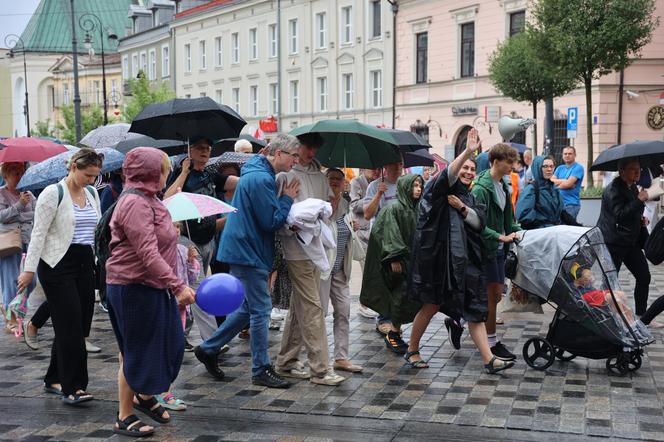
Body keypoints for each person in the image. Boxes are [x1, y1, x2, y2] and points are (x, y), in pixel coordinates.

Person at [194, 134, 300, 389]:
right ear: (277, 153)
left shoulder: (256, 172)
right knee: (261, 308)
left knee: (246, 308)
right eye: (292, 156)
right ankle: (261, 368)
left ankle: (208, 348)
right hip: (247, 250)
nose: (294, 162)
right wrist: (287, 198)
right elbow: (270, 222)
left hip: (243, 247)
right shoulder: (261, 178)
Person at [104, 147, 196, 437]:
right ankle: (124, 414)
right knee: (134, 352)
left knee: (170, 344)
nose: (166, 173)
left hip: (153, 286)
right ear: (151, 171)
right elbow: (147, 253)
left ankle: (144, 396)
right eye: (164, 168)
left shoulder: (150, 199)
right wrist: (178, 285)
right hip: (133, 287)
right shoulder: (135, 204)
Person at [406, 129, 514, 373]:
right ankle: (412, 349)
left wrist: (464, 209)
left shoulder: (469, 196)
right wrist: (467, 151)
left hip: (466, 264)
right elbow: (448, 174)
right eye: (464, 168)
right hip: (441, 263)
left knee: (475, 309)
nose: (468, 172)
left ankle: (489, 359)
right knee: (431, 306)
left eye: (472, 169)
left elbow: (479, 223)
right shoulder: (439, 189)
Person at [17, 148, 103, 405]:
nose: (91, 180)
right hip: (56, 264)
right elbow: (38, 235)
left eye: (95, 176)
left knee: (80, 324)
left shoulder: (92, 192)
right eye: (88, 175)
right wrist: (28, 270)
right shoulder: (52, 193)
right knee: (71, 328)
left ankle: (53, 378)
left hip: (85, 263)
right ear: (74, 166)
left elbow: (96, 230)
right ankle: (73, 387)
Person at [275, 133, 345, 386]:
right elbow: (279, 213)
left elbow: (331, 214)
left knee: (301, 306)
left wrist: (335, 196)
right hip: (296, 248)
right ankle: (320, 368)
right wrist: (289, 227)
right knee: (313, 307)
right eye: (308, 147)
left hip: (316, 248)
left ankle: (287, 361)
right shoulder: (285, 175)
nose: (311, 153)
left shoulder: (320, 175)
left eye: (315, 149)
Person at [164, 137, 238, 344]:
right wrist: (185, 171)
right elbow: (167, 199)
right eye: (200, 149)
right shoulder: (180, 172)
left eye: (208, 149)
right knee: (195, 287)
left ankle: (182, 335)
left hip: (207, 239)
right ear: (190, 150)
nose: (205, 152)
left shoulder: (210, 173)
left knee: (190, 288)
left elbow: (235, 183)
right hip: (186, 240)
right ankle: (211, 340)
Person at [360, 174, 424, 354]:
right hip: (396, 263)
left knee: (404, 297)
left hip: (409, 261)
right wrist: (394, 256)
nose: (418, 189)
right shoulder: (394, 209)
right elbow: (389, 232)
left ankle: (396, 333)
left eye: (420, 185)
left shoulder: (416, 209)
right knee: (398, 297)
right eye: (415, 185)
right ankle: (393, 334)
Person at [471, 143, 521, 361]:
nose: (512, 165)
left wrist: (520, 232)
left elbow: (508, 219)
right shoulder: (481, 188)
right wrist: (499, 236)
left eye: (513, 161)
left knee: (495, 295)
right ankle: (491, 342)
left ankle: (458, 321)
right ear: (495, 162)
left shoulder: (504, 185)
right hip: (487, 249)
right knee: (491, 296)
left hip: (499, 248)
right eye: (509, 161)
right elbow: (477, 224)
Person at [319, 168, 363, 373]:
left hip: (339, 270)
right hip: (321, 270)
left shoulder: (345, 205)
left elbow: (343, 232)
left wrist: (351, 226)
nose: (335, 182)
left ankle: (341, 357)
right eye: (331, 179)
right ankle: (315, 357)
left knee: (344, 311)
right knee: (317, 314)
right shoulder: (319, 204)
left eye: (339, 179)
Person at [596, 158, 651, 317]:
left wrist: (640, 219)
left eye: (639, 169)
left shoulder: (632, 186)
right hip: (614, 241)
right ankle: (604, 314)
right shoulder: (613, 189)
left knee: (644, 276)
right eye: (633, 169)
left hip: (630, 241)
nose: (637, 172)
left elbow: (631, 212)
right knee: (610, 281)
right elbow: (619, 215)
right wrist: (639, 201)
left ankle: (642, 316)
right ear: (622, 172)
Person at [363, 161, 403, 335]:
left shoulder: (405, 184)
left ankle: (395, 319)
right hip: (382, 239)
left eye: (400, 163)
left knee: (399, 281)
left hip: (401, 240)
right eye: (394, 164)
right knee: (384, 280)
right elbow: (367, 214)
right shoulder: (375, 186)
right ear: (386, 166)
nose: (398, 167)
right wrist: (378, 194)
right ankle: (384, 318)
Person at [0, 162, 36, 334]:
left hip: (28, 242)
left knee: (31, 281)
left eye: (21, 173)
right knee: (10, 281)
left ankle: (13, 307)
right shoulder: (1, 194)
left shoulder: (29, 194)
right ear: (5, 175)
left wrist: (17, 214)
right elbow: (1, 217)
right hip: (9, 244)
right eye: (15, 173)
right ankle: (11, 317)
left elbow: (36, 214)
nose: (19, 176)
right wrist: (20, 206)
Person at [349, 168, 380, 319]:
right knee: (367, 270)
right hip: (362, 233)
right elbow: (354, 205)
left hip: (376, 232)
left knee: (375, 271)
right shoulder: (356, 182)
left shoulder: (379, 183)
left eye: (378, 169)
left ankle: (372, 302)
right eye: (372, 169)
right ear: (363, 169)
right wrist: (372, 196)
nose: (376, 171)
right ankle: (364, 305)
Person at [515, 156, 564, 229]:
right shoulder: (531, 189)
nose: (549, 169)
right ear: (537, 168)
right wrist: (542, 225)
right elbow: (523, 215)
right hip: (539, 234)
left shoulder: (554, 189)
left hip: (554, 232)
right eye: (545, 166)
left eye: (552, 166)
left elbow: (561, 212)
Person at [551, 146, 584, 221]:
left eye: (570, 154)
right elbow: (551, 181)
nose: (567, 155)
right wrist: (565, 181)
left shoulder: (578, 168)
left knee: (568, 229)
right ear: (562, 155)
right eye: (565, 154)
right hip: (558, 205)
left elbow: (568, 184)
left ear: (575, 155)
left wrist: (558, 185)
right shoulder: (560, 168)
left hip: (571, 205)